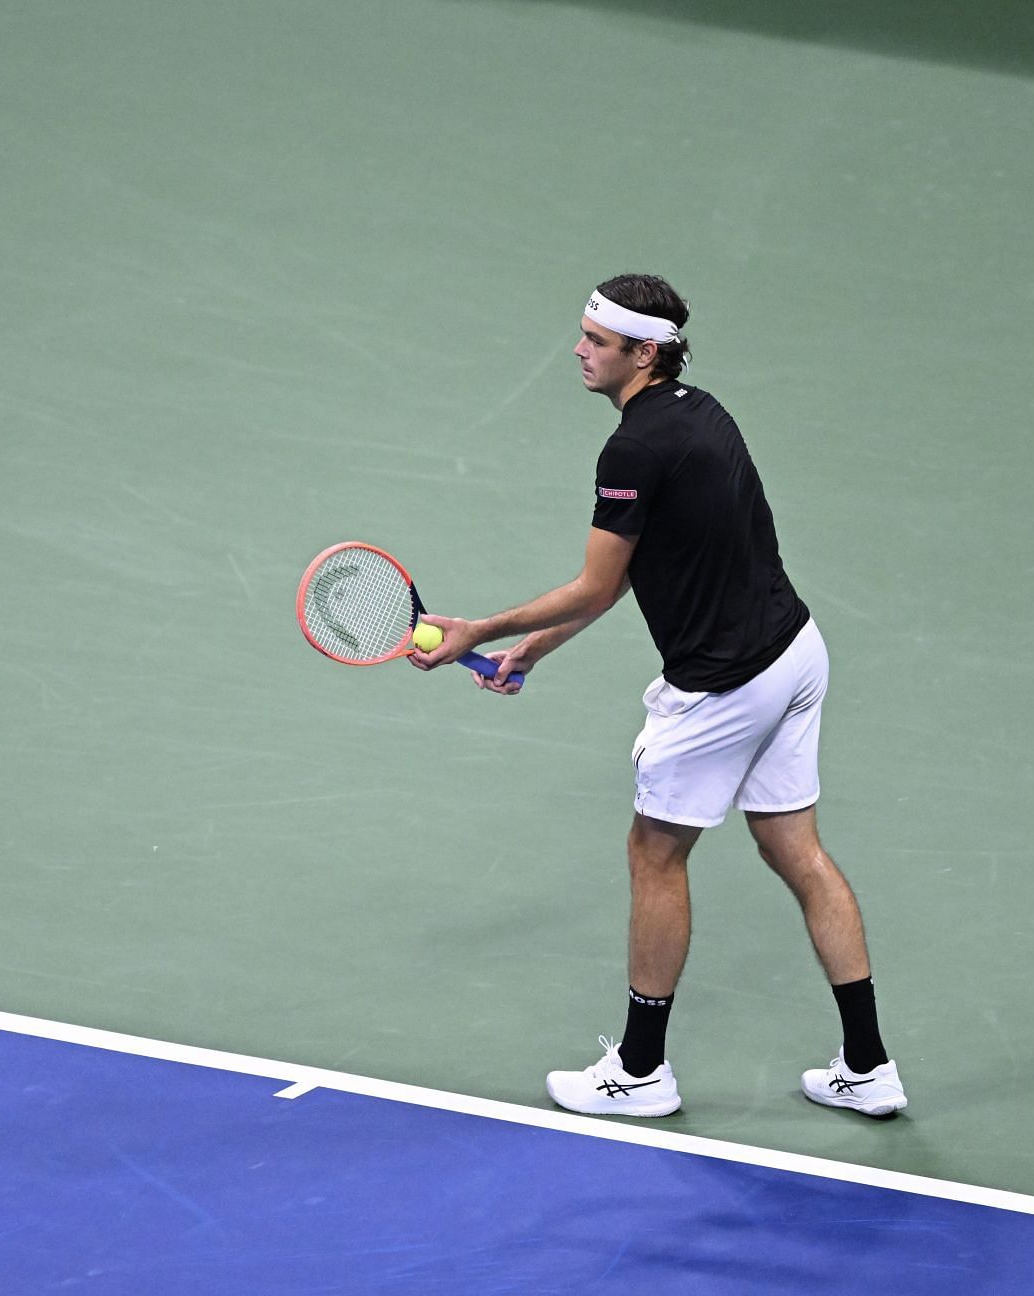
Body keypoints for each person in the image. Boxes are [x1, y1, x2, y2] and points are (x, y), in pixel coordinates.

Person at [410, 274, 906, 1119]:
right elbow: (618, 586)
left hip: (727, 687)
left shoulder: (632, 451)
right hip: (795, 653)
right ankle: (869, 1065)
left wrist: (479, 629)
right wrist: (534, 648)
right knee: (795, 848)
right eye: (582, 333)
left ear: (644, 351)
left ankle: (641, 1071)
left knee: (655, 853)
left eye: (597, 341)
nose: (578, 349)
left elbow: (594, 581)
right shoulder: (701, 413)